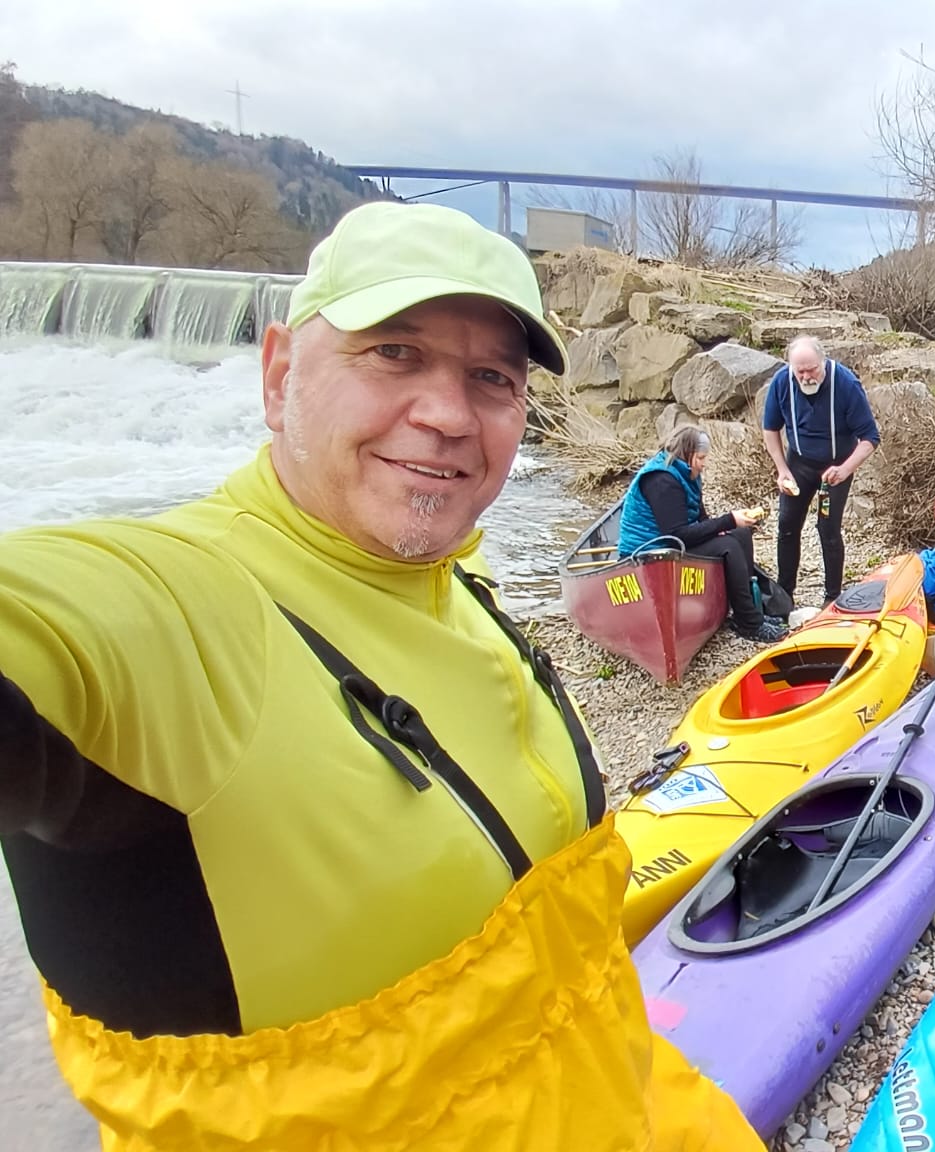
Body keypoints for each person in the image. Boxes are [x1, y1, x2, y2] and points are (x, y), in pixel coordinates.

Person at [0, 202, 759, 1151]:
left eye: (492, 377)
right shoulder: (170, 609)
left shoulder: (456, 584)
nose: (447, 414)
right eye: (393, 353)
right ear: (279, 375)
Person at [617, 422, 789, 643]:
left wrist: (727, 526)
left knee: (741, 535)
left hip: (672, 539)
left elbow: (698, 516)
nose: (704, 464)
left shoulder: (687, 472)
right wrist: (728, 521)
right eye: (701, 458)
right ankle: (750, 624)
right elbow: (677, 534)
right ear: (686, 454)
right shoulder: (661, 479)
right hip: (649, 549)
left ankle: (749, 610)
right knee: (729, 546)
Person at [760, 335, 881, 608]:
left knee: (828, 528)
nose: (806, 377)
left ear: (823, 362)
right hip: (799, 463)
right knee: (787, 525)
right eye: (799, 371)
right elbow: (770, 430)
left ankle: (832, 596)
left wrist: (846, 468)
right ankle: (785, 592)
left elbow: (870, 438)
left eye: (811, 369)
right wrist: (781, 470)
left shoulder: (846, 384)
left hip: (836, 467)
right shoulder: (782, 382)